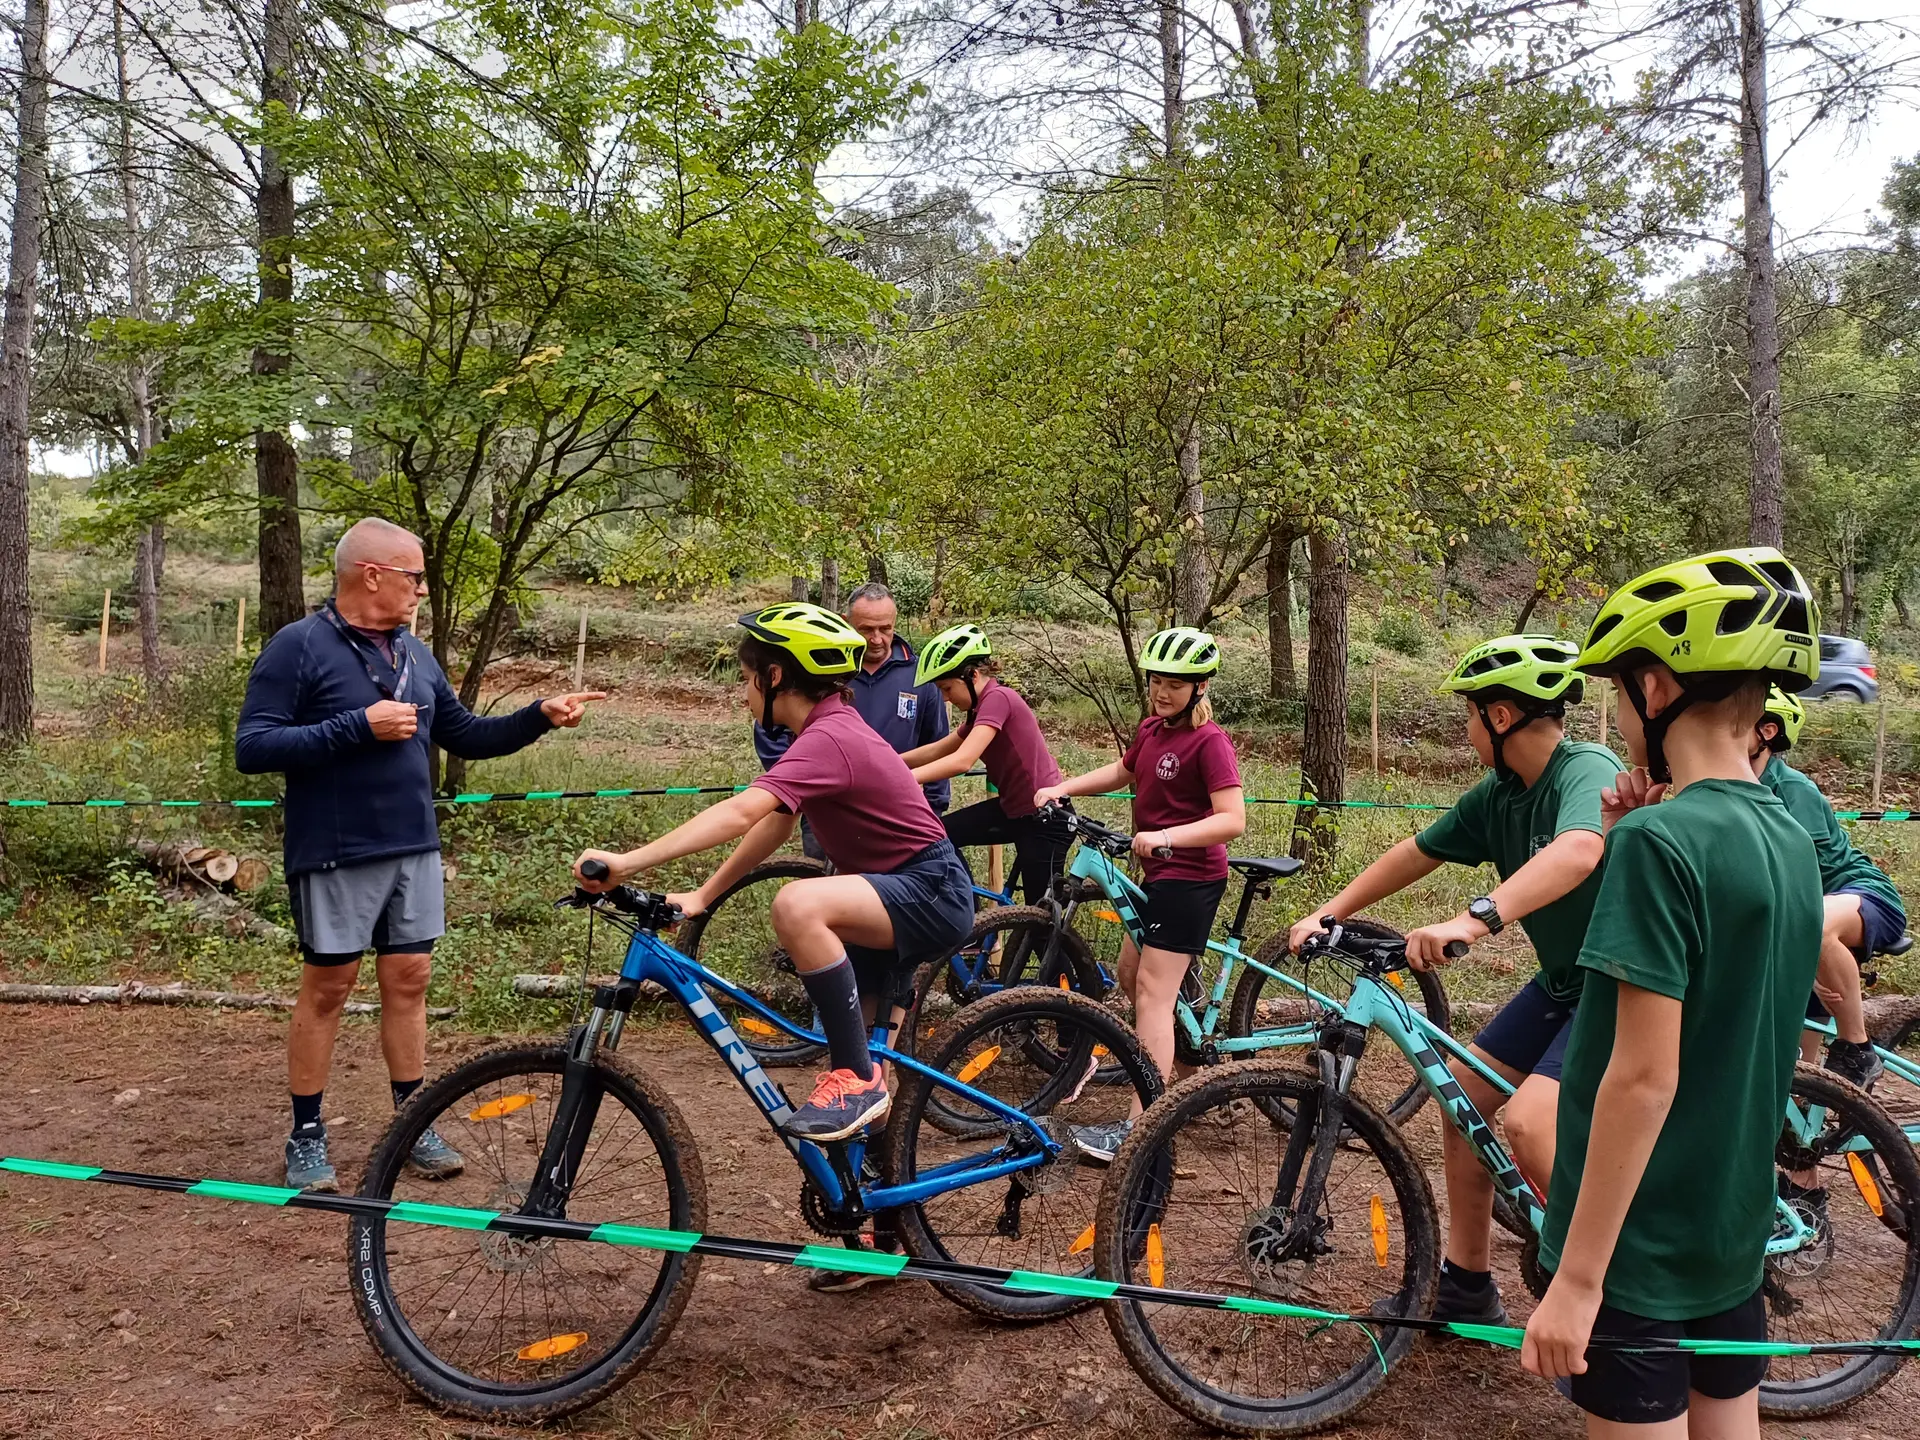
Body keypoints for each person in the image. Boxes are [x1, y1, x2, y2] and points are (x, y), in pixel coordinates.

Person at [1522, 547, 1823, 1439]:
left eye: (1619, 692)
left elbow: (1642, 1078)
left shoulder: (1664, 842)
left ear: (1655, 690)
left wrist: (1577, 1282)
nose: (1617, 717)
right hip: (1731, 1238)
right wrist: (1626, 837)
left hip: (1635, 1253)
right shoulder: (1791, 837)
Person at [236, 518, 605, 1193]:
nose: (421, 591)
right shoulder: (300, 647)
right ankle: (307, 1133)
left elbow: (464, 734)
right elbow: (253, 747)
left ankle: (412, 1121)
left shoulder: (416, 654)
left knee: (408, 981)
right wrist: (357, 726)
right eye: (413, 577)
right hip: (336, 851)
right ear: (371, 574)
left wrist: (539, 715)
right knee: (330, 988)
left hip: (414, 846)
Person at [1285, 634, 1619, 1330]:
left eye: (1470, 714)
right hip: (1564, 982)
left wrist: (1478, 918)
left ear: (1500, 718)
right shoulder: (1499, 793)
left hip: (1620, 984)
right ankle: (1468, 1282)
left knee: (1528, 1122)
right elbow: (1417, 852)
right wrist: (1331, 909)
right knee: (1462, 1102)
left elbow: (1582, 848)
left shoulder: (1583, 768)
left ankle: (1623, 1286)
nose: (1465, 730)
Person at [573, 599, 974, 1142]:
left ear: (774, 675)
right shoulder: (826, 731)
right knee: (864, 1059)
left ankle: (858, 1080)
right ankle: (877, 1184)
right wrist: (704, 893)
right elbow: (775, 823)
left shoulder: (830, 736)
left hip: (928, 889)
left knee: (798, 902)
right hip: (898, 888)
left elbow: (742, 811)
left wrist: (626, 861)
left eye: (746, 678)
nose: (744, 693)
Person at [1032, 627, 1245, 1160]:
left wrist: (1168, 837)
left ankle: (1141, 1129)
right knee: (1131, 975)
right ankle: (1196, 1080)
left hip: (1192, 877)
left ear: (1199, 688)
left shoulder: (1210, 742)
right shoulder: (1152, 730)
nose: (1162, 692)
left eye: (1175, 684)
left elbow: (1232, 820)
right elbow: (1123, 772)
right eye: (1157, 680)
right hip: (1159, 876)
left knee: (1152, 991)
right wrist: (1065, 786)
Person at [1748, 685, 1906, 1089]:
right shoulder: (1738, 789)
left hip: (1861, 894)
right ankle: (1812, 1125)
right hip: (1805, 911)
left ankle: (1857, 1049)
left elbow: (1801, 872)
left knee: (1812, 925)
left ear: (1767, 732)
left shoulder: (1791, 788)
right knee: (1803, 1082)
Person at [751, 585, 950, 857]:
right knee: (822, 892)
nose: (877, 639)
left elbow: (936, 742)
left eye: (885, 629)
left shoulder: (919, 677)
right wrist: (795, 785)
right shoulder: (821, 670)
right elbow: (772, 726)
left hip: (896, 817)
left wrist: (934, 807)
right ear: (846, 623)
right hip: (826, 812)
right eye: (867, 629)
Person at [900, 623, 1073, 904]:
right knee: (937, 834)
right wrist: (890, 763)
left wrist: (905, 779)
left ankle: (979, 921)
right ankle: (969, 913)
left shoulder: (998, 698)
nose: (945, 697)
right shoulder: (979, 710)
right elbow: (940, 750)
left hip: (1046, 817)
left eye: (947, 688)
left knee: (1041, 928)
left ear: (972, 675)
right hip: (1016, 812)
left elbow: (962, 760)